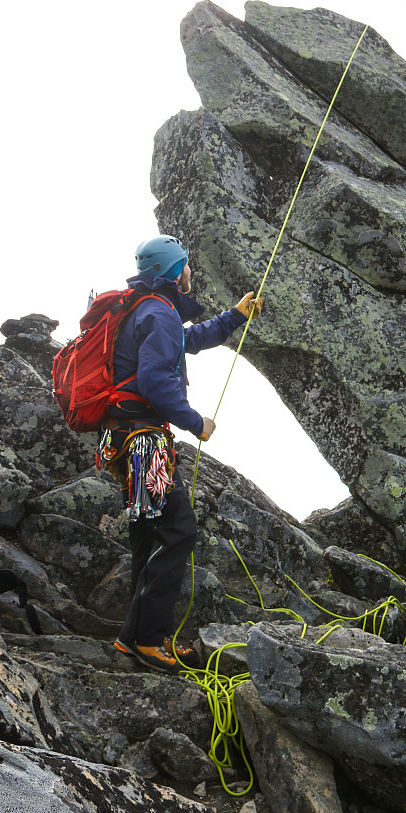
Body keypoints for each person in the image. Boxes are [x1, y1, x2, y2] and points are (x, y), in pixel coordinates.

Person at [98, 234, 263, 674]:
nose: (191, 270)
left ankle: (134, 638)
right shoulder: (158, 312)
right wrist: (195, 422)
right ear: (175, 270)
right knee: (178, 530)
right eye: (186, 263)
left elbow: (188, 340)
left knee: (149, 535)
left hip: (123, 438)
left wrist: (234, 316)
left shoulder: (146, 308)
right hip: (143, 440)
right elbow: (155, 381)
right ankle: (147, 641)